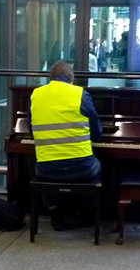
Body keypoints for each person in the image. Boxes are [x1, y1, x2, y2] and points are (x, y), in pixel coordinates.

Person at [29, 61, 102, 230]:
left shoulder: (36, 95)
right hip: (82, 169)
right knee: (99, 165)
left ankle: (56, 216)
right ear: (71, 79)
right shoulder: (80, 94)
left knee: (43, 165)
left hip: (47, 170)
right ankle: (87, 214)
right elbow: (96, 132)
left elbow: (33, 131)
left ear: (50, 78)